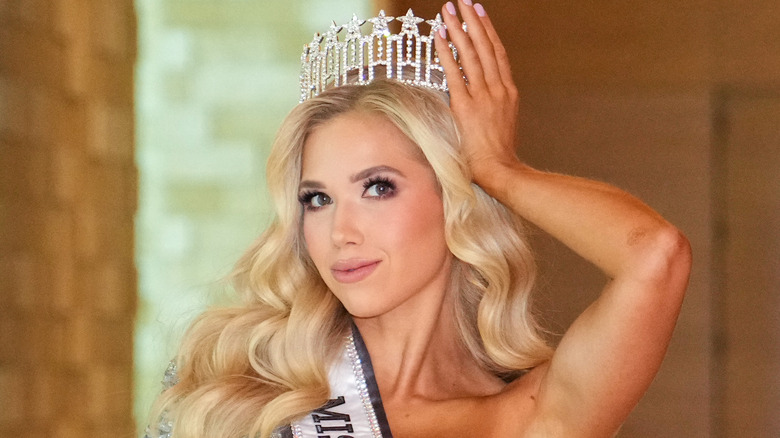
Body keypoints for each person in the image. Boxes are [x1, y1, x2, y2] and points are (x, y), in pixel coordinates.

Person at [145, 1, 692, 437]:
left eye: (377, 188)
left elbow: (654, 253)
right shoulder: (240, 387)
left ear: (454, 199)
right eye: (317, 199)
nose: (341, 232)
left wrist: (500, 171)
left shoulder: (523, 418)